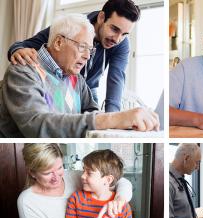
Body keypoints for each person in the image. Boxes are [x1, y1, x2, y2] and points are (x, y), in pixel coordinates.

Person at [0, 13, 159, 138]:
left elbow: (96, 109)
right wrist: (113, 119)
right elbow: (38, 127)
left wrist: (123, 122)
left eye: (90, 50)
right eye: (82, 47)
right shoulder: (23, 72)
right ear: (58, 43)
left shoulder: (77, 79)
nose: (88, 57)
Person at [7, 0, 140, 112]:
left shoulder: (121, 44)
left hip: (88, 88)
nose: (117, 39)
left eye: (124, 34)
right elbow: (26, 44)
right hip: (62, 81)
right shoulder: (75, 26)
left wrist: (113, 119)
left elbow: (116, 80)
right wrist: (18, 50)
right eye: (114, 29)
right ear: (101, 18)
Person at [17, 144, 133, 218]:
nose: (56, 178)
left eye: (59, 168)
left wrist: (120, 199)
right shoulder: (27, 201)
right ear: (32, 173)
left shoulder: (76, 177)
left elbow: (120, 181)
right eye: (47, 173)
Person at [64, 149, 135, 218]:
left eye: (89, 173)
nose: (82, 176)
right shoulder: (76, 199)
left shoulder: (121, 205)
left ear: (108, 179)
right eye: (83, 170)